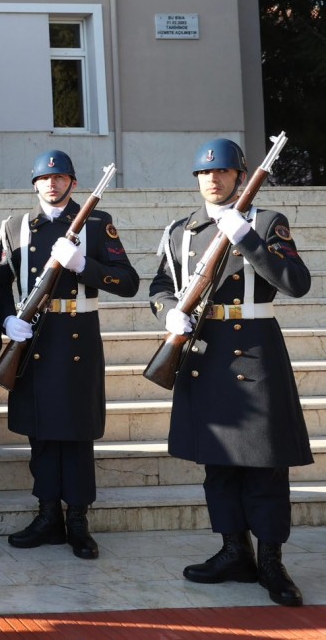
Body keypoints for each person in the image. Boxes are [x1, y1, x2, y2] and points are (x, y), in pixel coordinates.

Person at [151, 139, 312, 607]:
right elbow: (161, 284)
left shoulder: (266, 224)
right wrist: (167, 314)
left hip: (255, 353)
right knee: (217, 464)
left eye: (222, 172)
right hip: (203, 353)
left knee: (264, 466)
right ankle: (231, 550)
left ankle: (271, 561)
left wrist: (246, 238)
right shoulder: (181, 231)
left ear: (240, 176)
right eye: (205, 174)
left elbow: (296, 283)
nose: (213, 180)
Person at [0, 150, 138, 559]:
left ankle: (77, 519)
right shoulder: (16, 227)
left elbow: (128, 282)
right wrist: (7, 319)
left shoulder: (96, 223)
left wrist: (83, 266)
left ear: (73, 184)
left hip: (78, 339)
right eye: (45, 178)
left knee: (76, 435)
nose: (52, 184)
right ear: (35, 184)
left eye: (61, 178)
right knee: (40, 433)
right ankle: (47, 515)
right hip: (34, 336)